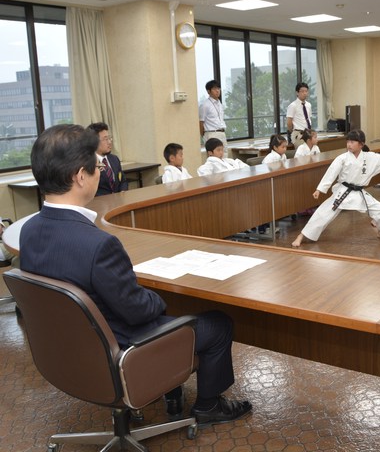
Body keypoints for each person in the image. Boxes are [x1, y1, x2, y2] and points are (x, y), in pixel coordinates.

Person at [19, 124, 252, 426]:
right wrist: (160, 298)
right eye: (96, 166)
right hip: (122, 351)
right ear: (80, 176)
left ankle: (170, 390)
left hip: (70, 355)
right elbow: (138, 311)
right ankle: (209, 406)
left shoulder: (29, 230)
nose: (101, 170)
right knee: (218, 324)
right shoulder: (99, 245)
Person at [292, 131, 380, 247]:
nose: (349, 144)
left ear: (361, 144)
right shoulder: (342, 158)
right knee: (323, 213)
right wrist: (320, 189)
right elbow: (331, 173)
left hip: (359, 193)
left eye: (352, 142)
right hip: (343, 193)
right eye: (347, 142)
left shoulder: (369, 157)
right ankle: (301, 236)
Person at [88, 122, 128, 196]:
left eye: (109, 138)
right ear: (94, 142)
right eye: (105, 139)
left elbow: (123, 181)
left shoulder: (114, 159)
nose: (109, 142)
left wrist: (123, 192)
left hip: (119, 202)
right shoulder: (88, 163)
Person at [199, 80, 227, 155]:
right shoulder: (205, 105)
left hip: (222, 132)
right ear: (208, 91)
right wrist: (204, 136)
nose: (217, 91)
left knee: (224, 156)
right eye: (214, 89)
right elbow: (201, 122)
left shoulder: (220, 104)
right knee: (214, 158)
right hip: (212, 133)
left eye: (218, 88)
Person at [286, 82, 312, 147]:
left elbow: (308, 118)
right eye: (302, 91)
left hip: (308, 133)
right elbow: (289, 123)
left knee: (311, 153)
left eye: (306, 91)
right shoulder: (293, 105)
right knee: (303, 154)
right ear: (297, 93)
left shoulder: (308, 105)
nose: (305, 93)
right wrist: (294, 132)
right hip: (298, 133)